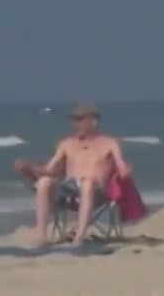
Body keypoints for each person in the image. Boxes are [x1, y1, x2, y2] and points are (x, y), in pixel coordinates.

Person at [13, 101, 134, 245]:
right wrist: (29, 168)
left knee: (87, 181)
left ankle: (78, 238)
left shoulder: (109, 143)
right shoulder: (66, 144)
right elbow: (50, 170)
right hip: (69, 193)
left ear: (93, 122)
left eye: (80, 120)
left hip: (97, 193)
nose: (76, 124)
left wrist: (125, 170)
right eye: (74, 120)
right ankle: (41, 236)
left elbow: (122, 169)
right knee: (44, 181)